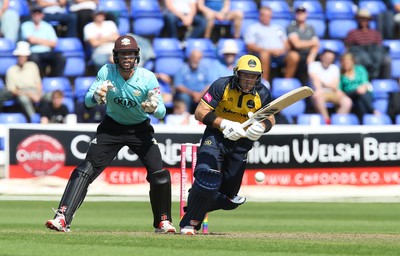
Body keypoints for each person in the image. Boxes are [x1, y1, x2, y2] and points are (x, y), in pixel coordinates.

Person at [45, 35, 176, 234]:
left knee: (159, 175)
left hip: (140, 129)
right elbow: (87, 101)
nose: (127, 58)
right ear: (115, 56)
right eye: (123, 54)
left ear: (137, 56)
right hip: (112, 128)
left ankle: (163, 221)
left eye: (131, 54)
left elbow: (162, 112)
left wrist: (153, 107)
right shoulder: (106, 71)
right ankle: (62, 217)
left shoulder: (147, 77)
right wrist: (97, 95)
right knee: (85, 170)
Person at [179, 54, 275, 235]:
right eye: (245, 75)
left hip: (241, 143)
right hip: (217, 137)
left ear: (259, 77)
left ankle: (196, 201)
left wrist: (261, 127)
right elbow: (200, 112)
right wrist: (223, 124)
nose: (249, 80)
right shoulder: (222, 85)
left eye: (253, 76)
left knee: (230, 199)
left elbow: (270, 117)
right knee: (207, 177)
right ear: (237, 73)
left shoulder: (262, 93)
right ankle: (190, 222)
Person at [244, 6, 299, 83]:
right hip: (262, 54)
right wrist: (270, 51)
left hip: (280, 54)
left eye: (268, 16)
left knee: (294, 56)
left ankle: (286, 83)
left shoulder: (278, 28)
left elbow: (286, 44)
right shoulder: (253, 28)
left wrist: (282, 50)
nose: (266, 18)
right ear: (260, 16)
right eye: (264, 15)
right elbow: (250, 45)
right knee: (264, 55)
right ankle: (264, 83)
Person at [308, 49, 353, 124]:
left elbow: (335, 85)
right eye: (327, 57)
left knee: (347, 101)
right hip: (320, 93)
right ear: (321, 57)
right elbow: (315, 81)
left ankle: (337, 121)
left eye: (331, 58)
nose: (328, 59)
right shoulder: (313, 65)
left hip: (332, 93)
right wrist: (324, 85)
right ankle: (327, 121)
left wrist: (323, 83)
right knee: (317, 96)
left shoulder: (335, 68)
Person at [345, 9, 391, 80]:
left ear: (368, 20)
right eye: (361, 19)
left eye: (365, 19)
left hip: (374, 55)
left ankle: (385, 81)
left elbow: (379, 47)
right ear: (358, 20)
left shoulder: (375, 33)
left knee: (387, 60)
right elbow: (348, 47)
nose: (363, 21)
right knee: (356, 59)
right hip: (360, 55)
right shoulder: (352, 33)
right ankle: (361, 80)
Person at [20, 6, 66, 77]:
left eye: (38, 13)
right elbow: (30, 40)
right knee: (34, 58)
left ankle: (54, 79)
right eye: (34, 13)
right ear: (31, 14)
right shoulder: (25, 25)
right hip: (33, 52)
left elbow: (54, 44)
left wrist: (36, 40)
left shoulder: (48, 26)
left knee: (61, 57)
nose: (36, 15)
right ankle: (39, 79)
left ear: (42, 15)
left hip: (47, 52)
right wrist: (46, 42)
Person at [6, 41, 42, 123]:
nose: (21, 58)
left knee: (50, 96)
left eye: (23, 56)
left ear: (27, 57)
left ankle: (46, 120)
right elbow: (12, 90)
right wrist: (29, 94)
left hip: (35, 91)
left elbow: (39, 83)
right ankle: (34, 120)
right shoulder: (11, 70)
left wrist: (38, 94)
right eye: (20, 56)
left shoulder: (33, 66)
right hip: (22, 93)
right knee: (23, 99)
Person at [339, 52, 380, 122]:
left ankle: (363, 120)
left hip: (362, 93)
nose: (346, 64)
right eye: (344, 62)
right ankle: (373, 111)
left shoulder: (360, 69)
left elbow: (365, 82)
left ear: (352, 62)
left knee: (361, 97)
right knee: (360, 94)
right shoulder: (340, 74)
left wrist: (361, 88)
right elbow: (339, 89)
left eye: (348, 62)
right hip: (349, 94)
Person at [287, 5, 320, 85]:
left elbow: (317, 44)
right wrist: (311, 42)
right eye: (298, 13)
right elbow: (297, 44)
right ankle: (288, 83)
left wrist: (312, 55)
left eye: (302, 13)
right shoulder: (292, 26)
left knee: (318, 62)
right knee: (294, 57)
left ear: (306, 14)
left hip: (309, 55)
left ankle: (316, 87)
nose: (300, 14)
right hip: (297, 54)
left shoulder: (310, 27)